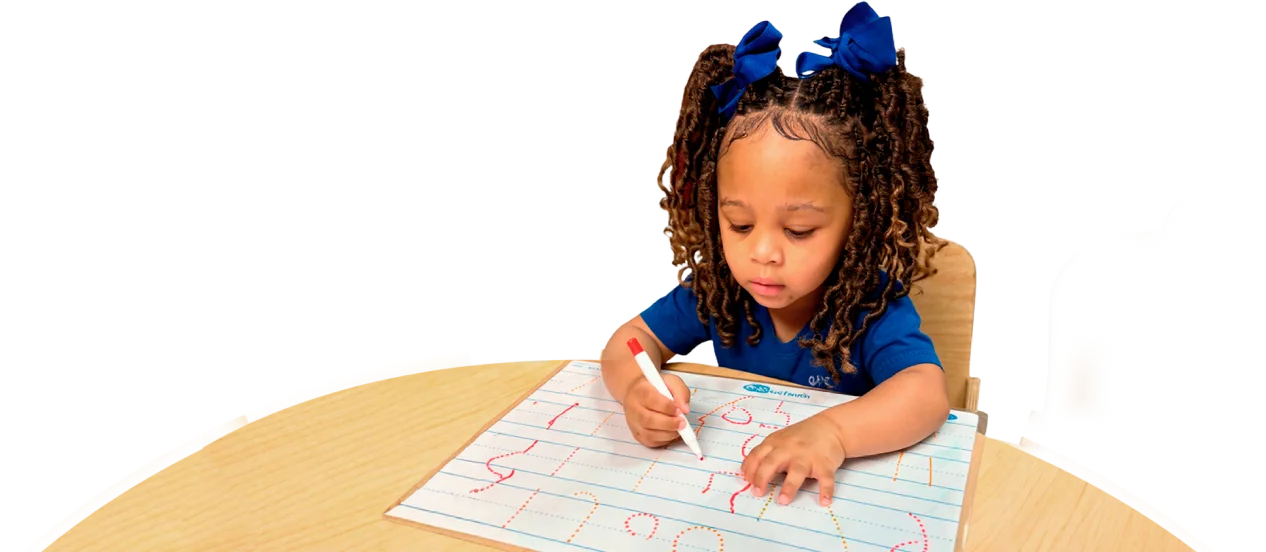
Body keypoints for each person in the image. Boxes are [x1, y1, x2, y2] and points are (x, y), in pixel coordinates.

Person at [599, 2, 950, 508]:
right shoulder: (717, 293)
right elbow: (631, 341)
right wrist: (638, 389)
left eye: (800, 230)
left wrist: (834, 432)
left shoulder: (869, 306)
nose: (762, 253)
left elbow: (925, 393)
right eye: (739, 224)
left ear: (859, 222)